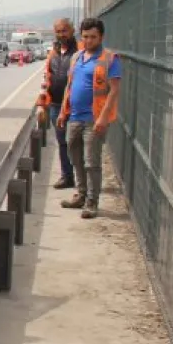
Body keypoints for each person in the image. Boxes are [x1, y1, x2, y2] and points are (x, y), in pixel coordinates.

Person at [57, 18, 121, 219]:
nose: (89, 40)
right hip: (74, 117)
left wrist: (103, 118)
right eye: (85, 37)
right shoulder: (77, 57)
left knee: (91, 162)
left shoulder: (110, 58)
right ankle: (81, 195)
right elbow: (69, 86)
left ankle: (92, 202)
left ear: (101, 36)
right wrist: (62, 111)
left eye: (93, 37)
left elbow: (114, 91)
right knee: (74, 158)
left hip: (94, 119)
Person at [36, 19, 79, 190]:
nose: (62, 34)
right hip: (55, 104)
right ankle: (67, 176)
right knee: (62, 142)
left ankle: (82, 179)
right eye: (59, 31)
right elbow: (47, 78)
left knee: (76, 143)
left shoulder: (80, 51)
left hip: (75, 105)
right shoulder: (53, 54)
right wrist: (42, 104)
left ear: (72, 30)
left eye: (65, 31)